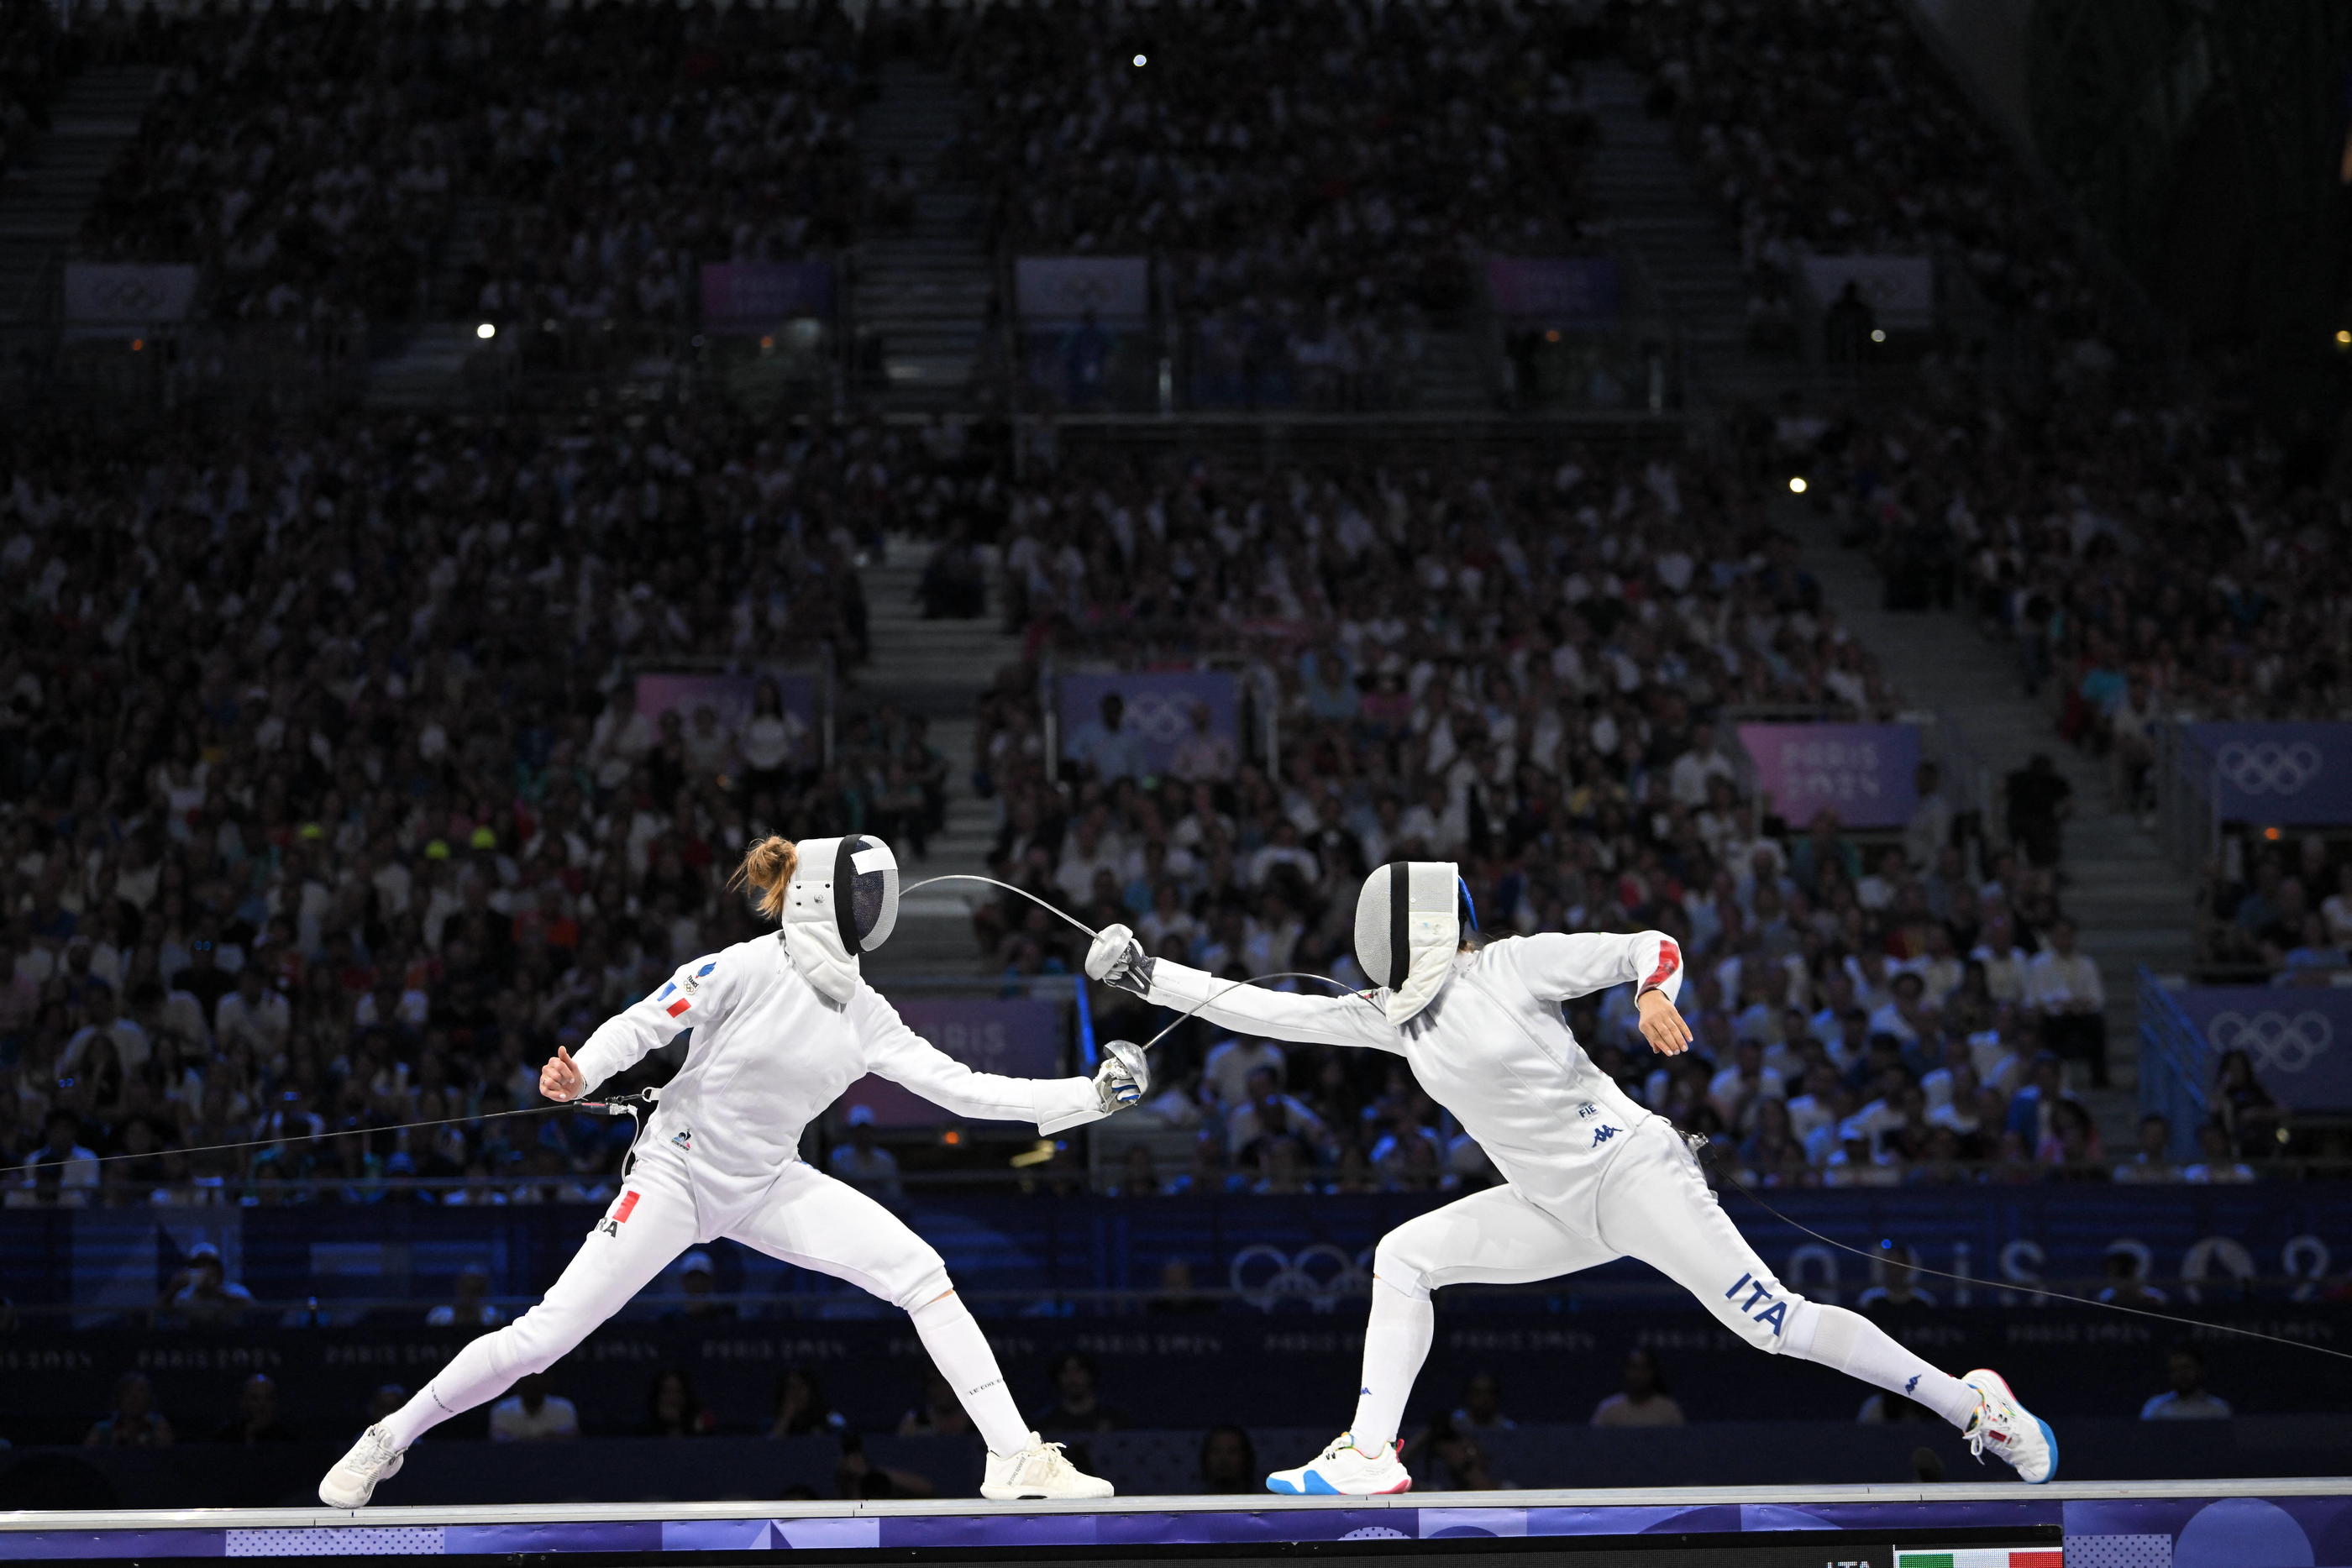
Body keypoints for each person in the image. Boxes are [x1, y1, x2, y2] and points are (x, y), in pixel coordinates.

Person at [1087, 859, 2056, 1495]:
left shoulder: (1513, 966)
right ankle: (1370, 1452)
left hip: (1633, 1169)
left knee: (1775, 1323)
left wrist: (1650, 995)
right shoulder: (1388, 1016)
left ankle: (1977, 1407)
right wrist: (1144, 977)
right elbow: (1254, 1009)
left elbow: (1652, 944)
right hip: (1553, 1207)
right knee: (1405, 1255)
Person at [322, 835, 1138, 1508]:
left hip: (765, 1183)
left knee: (921, 1272)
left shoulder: (866, 1016)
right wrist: (587, 1071)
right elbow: (654, 1017)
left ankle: (1013, 1456)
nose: (875, 911)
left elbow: (968, 1090)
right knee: (544, 1337)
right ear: (825, 895)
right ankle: (388, 1437)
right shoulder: (745, 967)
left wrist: (1090, 1096)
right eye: (866, 894)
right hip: (673, 1175)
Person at [1591, 1349, 1683, 1428]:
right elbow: (1593, 1445)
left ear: (1653, 1372)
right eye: (1633, 1368)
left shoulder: (1668, 1410)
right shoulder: (1608, 1409)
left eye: (1644, 1369)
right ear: (1625, 1371)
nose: (1638, 1375)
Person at [827, 1104, 902, 1195]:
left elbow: (894, 1193)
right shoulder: (839, 1157)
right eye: (859, 1130)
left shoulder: (886, 1159)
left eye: (866, 1129)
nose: (863, 1134)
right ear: (851, 1131)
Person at [2139, 1345, 2231, 1420]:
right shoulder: (2156, 1407)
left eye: (2186, 1368)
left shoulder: (2218, 1409)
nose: (2181, 1374)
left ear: (2200, 1370)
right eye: (2175, 1369)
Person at [84, 1372, 173, 1448]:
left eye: (140, 1391)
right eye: (127, 1392)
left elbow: (167, 1460)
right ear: (118, 1398)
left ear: (149, 1398)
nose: (134, 1398)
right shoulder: (102, 1430)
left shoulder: (158, 1427)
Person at [488, 1374, 580, 1441]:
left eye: (536, 1384)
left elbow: (571, 1437)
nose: (531, 1388)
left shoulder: (563, 1408)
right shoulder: (502, 1409)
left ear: (546, 1383)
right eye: (527, 1384)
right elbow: (499, 1439)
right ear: (517, 1384)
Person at [213, 1374, 297, 1444]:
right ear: (243, 1402)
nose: (262, 1405)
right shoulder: (227, 1436)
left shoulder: (287, 1437)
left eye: (268, 1398)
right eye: (255, 1398)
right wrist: (249, 1436)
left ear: (275, 1403)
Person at [1199, 1424, 1258, 1495]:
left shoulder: (1265, 1502)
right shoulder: (1192, 1503)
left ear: (1246, 1458)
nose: (1223, 1459)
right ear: (1205, 1458)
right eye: (1216, 1451)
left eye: (1232, 1451)